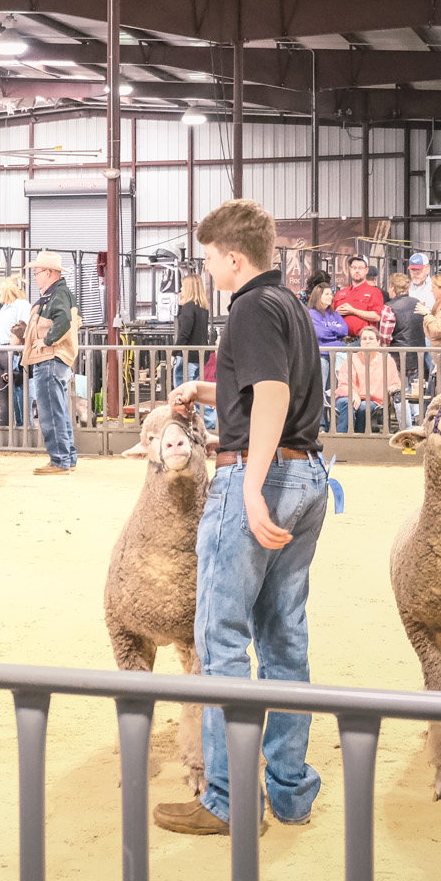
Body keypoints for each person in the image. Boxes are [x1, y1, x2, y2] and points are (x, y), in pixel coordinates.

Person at [156, 198, 329, 836]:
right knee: (284, 637)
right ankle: (289, 792)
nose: (206, 268)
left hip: (260, 476)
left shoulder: (249, 308)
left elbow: (275, 395)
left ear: (232, 258)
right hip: (306, 472)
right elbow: (273, 387)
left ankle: (229, 801)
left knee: (220, 634)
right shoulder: (290, 306)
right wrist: (208, 391)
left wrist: (251, 485)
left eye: (208, 259)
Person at [23, 250, 80, 476]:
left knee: (50, 412)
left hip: (50, 360)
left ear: (49, 273)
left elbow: (64, 321)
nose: (35, 277)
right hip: (58, 361)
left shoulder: (57, 296)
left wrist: (46, 341)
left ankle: (59, 461)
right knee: (59, 411)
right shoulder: (60, 294)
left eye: (37, 272)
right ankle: (68, 457)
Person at [333, 326, 406, 433]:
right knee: (348, 403)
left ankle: (358, 438)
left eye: (371, 339)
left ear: (378, 342)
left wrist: (392, 388)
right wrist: (353, 394)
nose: (367, 342)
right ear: (360, 342)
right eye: (364, 339)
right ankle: (343, 439)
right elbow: (344, 383)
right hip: (348, 395)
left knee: (363, 407)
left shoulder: (387, 360)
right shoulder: (352, 358)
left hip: (373, 399)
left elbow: (395, 382)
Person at [174, 274, 214, 432]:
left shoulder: (189, 307)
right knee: (198, 390)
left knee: (183, 390)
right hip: (200, 355)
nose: (181, 290)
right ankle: (209, 421)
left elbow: (184, 333)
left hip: (187, 356)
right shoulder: (202, 308)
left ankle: (185, 423)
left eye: (183, 287)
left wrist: (174, 353)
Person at [0, 277, 32, 425]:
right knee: (3, 397)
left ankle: (22, 430)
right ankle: (5, 431)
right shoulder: (6, 307)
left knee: (16, 395)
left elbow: (24, 329)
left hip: (10, 351)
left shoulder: (21, 305)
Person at [381, 270, 428, 393]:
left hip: (397, 358)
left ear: (392, 288)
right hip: (419, 356)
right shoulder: (418, 303)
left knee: (400, 396)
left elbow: (385, 338)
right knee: (416, 395)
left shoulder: (389, 307)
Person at [333, 255, 385, 339]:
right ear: (350, 270)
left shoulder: (374, 292)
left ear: (366, 270)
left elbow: (377, 316)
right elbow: (329, 316)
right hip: (339, 340)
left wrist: (352, 311)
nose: (357, 271)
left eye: (360, 268)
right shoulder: (340, 293)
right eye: (354, 267)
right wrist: (335, 313)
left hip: (362, 341)